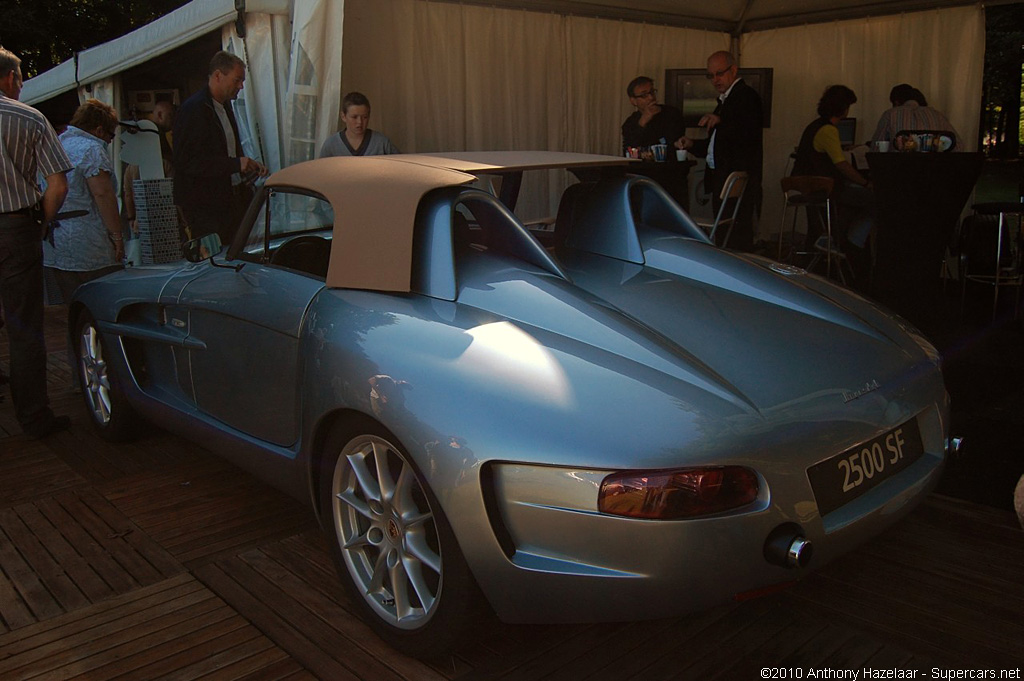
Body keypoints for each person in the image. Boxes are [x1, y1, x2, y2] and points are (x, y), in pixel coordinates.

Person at [0, 46, 73, 438]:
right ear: (10, 78)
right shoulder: (28, 118)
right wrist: (40, 224)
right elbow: (58, 184)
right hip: (15, 228)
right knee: (24, 325)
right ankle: (33, 416)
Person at [173, 51, 267, 244]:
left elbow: (227, 152)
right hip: (205, 206)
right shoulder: (194, 109)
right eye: (237, 80)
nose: (241, 86)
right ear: (217, 76)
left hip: (229, 201)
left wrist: (246, 168)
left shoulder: (224, 107)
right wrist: (235, 164)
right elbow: (188, 161)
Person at [674, 51, 763, 251]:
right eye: (711, 75)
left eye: (719, 74)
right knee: (727, 235)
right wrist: (691, 144)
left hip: (735, 178)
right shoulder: (724, 101)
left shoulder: (745, 96)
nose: (715, 80)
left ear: (733, 70)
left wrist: (722, 122)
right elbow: (715, 145)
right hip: (722, 177)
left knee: (735, 237)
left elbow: (748, 133)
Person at [792, 84, 874, 283]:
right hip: (823, 188)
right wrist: (865, 182)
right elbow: (841, 165)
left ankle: (832, 236)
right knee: (875, 199)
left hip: (808, 185)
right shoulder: (829, 130)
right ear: (844, 108)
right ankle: (848, 239)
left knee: (853, 199)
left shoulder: (815, 126)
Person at [870, 84, 962, 151]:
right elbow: (958, 146)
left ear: (896, 102)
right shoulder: (937, 115)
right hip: (934, 170)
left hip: (899, 170)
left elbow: (877, 148)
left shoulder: (891, 114)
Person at [320, 92, 400, 157]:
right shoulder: (331, 145)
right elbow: (322, 173)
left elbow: (400, 166)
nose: (360, 122)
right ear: (343, 116)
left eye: (364, 117)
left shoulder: (381, 143)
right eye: (354, 117)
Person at [621, 76, 685, 156]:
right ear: (633, 101)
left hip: (671, 165)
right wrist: (642, 122)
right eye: (644, 95)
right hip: (642, 167)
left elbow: (677, 143)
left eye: (652, 92)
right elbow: (629, 150)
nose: (651, 97)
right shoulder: (630, 123)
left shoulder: (672, 113)